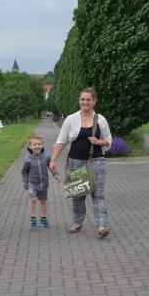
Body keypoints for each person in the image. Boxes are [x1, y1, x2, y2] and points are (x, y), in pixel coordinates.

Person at [50, 87, 113, 238]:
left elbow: (108, 140)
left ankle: (101, 226)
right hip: (75, 161)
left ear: (94, 101)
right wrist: (53, 160)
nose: (85, 102)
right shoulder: (71, 119)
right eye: (82, 99)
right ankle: (77, 222)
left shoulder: (100, 119)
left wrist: (99, 142)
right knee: (77, 194)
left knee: (98, 194)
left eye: (88, 100)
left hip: (96, 161)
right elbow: (61, 141)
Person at [22, 134, 59, 230]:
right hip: (32, 183)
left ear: (42, 145)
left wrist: (56, 175)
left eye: (39, 144)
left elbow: (51, 167)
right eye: (34, 144)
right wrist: (25, 183)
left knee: (43, 201)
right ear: (30, 146)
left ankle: (43, 218)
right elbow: (24, 172)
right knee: (33, 199)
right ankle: (33, 218)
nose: (37, 146)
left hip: (43, 184)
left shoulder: (46, 156)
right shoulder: (27, 159)